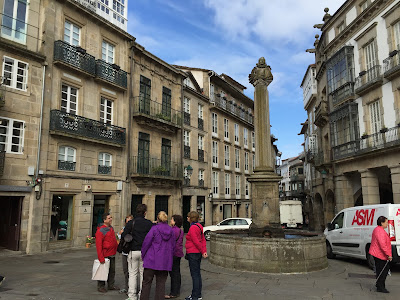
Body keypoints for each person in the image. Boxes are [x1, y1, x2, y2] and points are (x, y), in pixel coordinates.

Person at [140, 211, 175, 300]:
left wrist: (143, 255)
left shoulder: (154, 229)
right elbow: (173, 246)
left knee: (146, 283)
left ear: (157, 219)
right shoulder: (171, 230)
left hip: (152, 258)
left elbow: (146, 243)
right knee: (161, 284)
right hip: (164, 261)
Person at [122, 204, 153, 300]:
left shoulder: (131, 222)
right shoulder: (149, 223)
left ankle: (132, 295)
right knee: (142, 273)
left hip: (133, 250)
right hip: (145, 251)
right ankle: (141, 295)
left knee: (132, 273)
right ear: (145, 212)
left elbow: (124, 235)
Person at [185, 211, 207, 300]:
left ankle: (195, 296)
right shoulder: (199, 226)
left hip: (193, 253)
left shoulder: (193, 228)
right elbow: (203, 240)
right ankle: (197, 294)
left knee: (195, 275)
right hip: (197, 253)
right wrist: (204, 251)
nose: (187, 218)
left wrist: (202, 251)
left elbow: (196, 241)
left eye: (188, 216)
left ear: (191, 218)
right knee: (197, 274)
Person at [95, 213, 119, 293]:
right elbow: (98, 245)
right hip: (105, 254)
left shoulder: (111, 228)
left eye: (111, 217)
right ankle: (101, 286)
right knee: (103, 271)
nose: (111, 219)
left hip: (112, 253)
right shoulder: (101, 230)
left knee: (112, 271)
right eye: (109, 218)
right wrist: (101, 257)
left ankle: (111, 285)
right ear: (104, 220)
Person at [369, 215, 392, 293]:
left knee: (381, 270)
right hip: (379, 254)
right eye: (386, 222)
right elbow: (382, 245)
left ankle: (380, 285)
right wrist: (388, 255)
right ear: (382, 223)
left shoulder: (379, 229)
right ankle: (380, 286)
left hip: (378, 253)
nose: (387, 224)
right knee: (383, 271)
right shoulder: (379, 231)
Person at [165, 215, 184, 299]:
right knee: (177, 272)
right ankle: (177, 291)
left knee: (173, 273)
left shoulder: (172, 230)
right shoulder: (180, 230)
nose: (170, 221)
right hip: (179, 253)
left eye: (172, 220)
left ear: (175, 221)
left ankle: (173, 292)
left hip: (172, 253)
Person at [119, 215, 134, 295]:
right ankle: (126, 287)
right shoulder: (123, 229)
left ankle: (132, 288)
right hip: (124, 252)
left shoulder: (134, 229)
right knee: (125, 270)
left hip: (131, 252)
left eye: (129, 221)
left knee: (132, 271)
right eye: (127, 221)